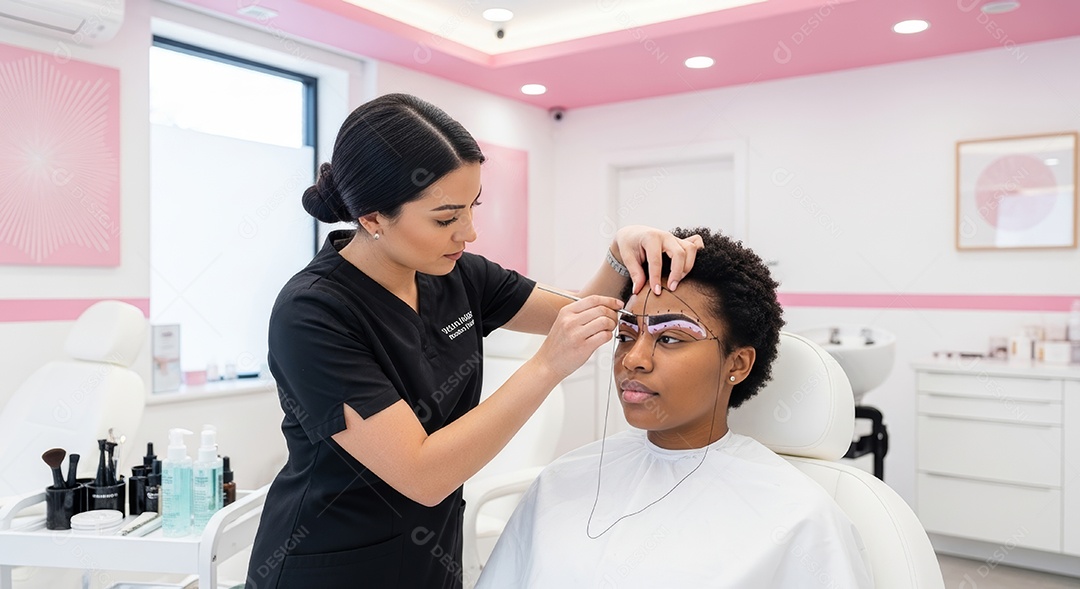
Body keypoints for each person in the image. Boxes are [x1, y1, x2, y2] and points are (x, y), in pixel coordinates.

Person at [244, 93, 703, 589]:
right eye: (445, 218)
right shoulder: (313, 313)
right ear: (374, 218)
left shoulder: (456, 274)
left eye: (471, 208)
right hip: (331, 564)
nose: (470, 234)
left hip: (432, 558)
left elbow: (575, 311)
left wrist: (621, 250)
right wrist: (547, 366)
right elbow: (422, 474)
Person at [476, 227, 873, 588]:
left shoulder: (798, 517)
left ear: (737, 364)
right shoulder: (561, 481)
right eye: (627, 334)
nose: (633, 359)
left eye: (670, 339)